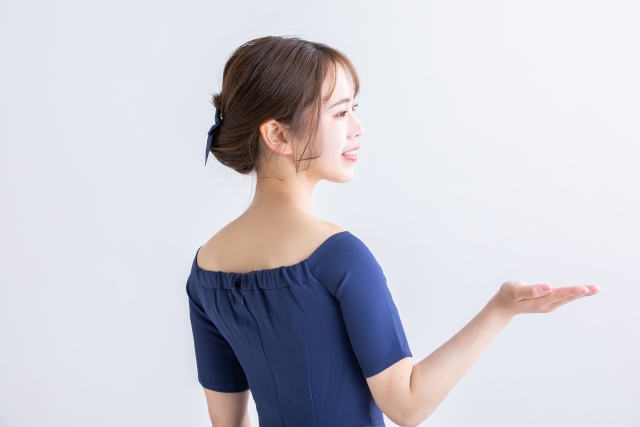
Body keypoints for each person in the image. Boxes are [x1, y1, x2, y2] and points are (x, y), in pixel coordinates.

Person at [185, 35, 600, 427]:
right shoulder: (338, 257)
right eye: (341, 112)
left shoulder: (205, 266)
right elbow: (407, 404)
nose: (358, 127)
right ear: (278, 134)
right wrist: (501, 308)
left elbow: (226, 422)